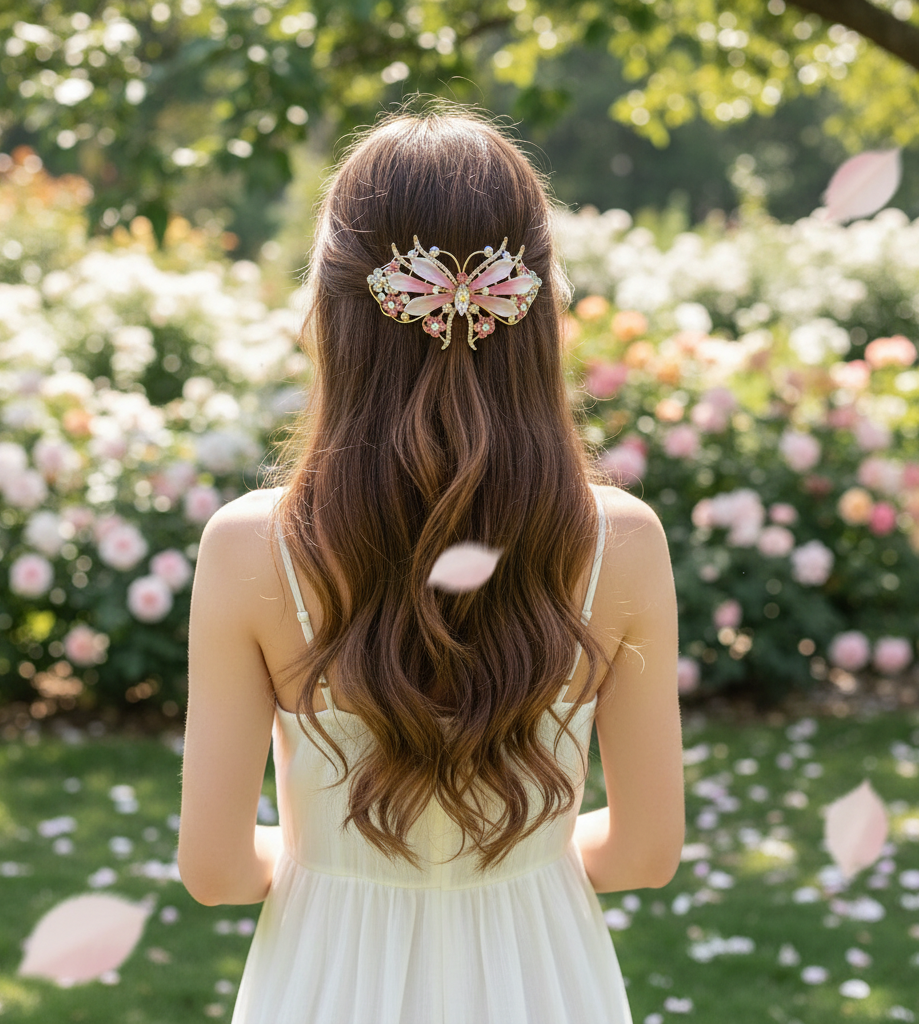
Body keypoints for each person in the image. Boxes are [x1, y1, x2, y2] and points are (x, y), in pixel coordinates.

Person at [178, 105, 685, 1024]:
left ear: (331, 307)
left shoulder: (253, 548)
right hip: (544, 979)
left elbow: (213, 872)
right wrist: (521, 859)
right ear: (538, 306)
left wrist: (333, 864)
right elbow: (647, 852)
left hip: (325, 982)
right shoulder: (625, 543)